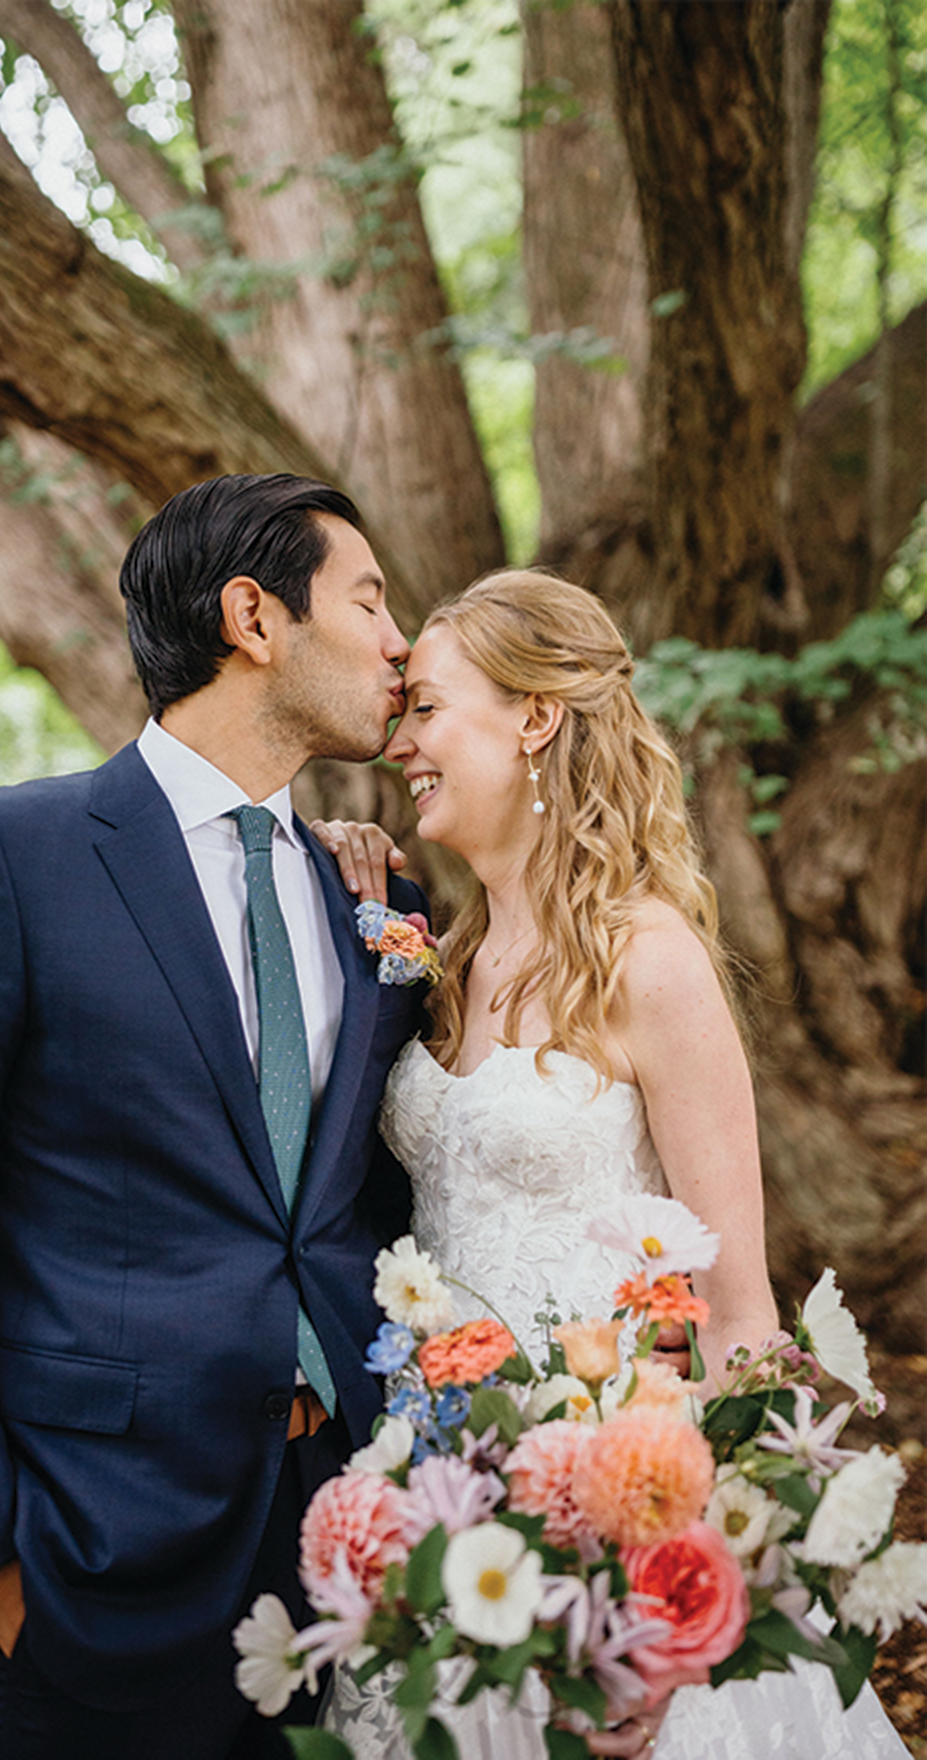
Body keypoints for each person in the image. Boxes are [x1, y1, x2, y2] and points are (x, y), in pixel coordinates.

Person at [0, 473, 432, 1758]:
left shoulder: (363, 892)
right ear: (254, 616)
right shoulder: (0, 858)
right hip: (91, 1562)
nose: (400, 640)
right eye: (370, 599)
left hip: (358, 1553)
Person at [311, 569, 905, 1759]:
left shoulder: (651, 959)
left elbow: (739, 1312)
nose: (401, 740)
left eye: (428, 706)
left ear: (536, 715)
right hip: (452, 1532)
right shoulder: (444, 958)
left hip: (622, 1539)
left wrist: (684, 1595)